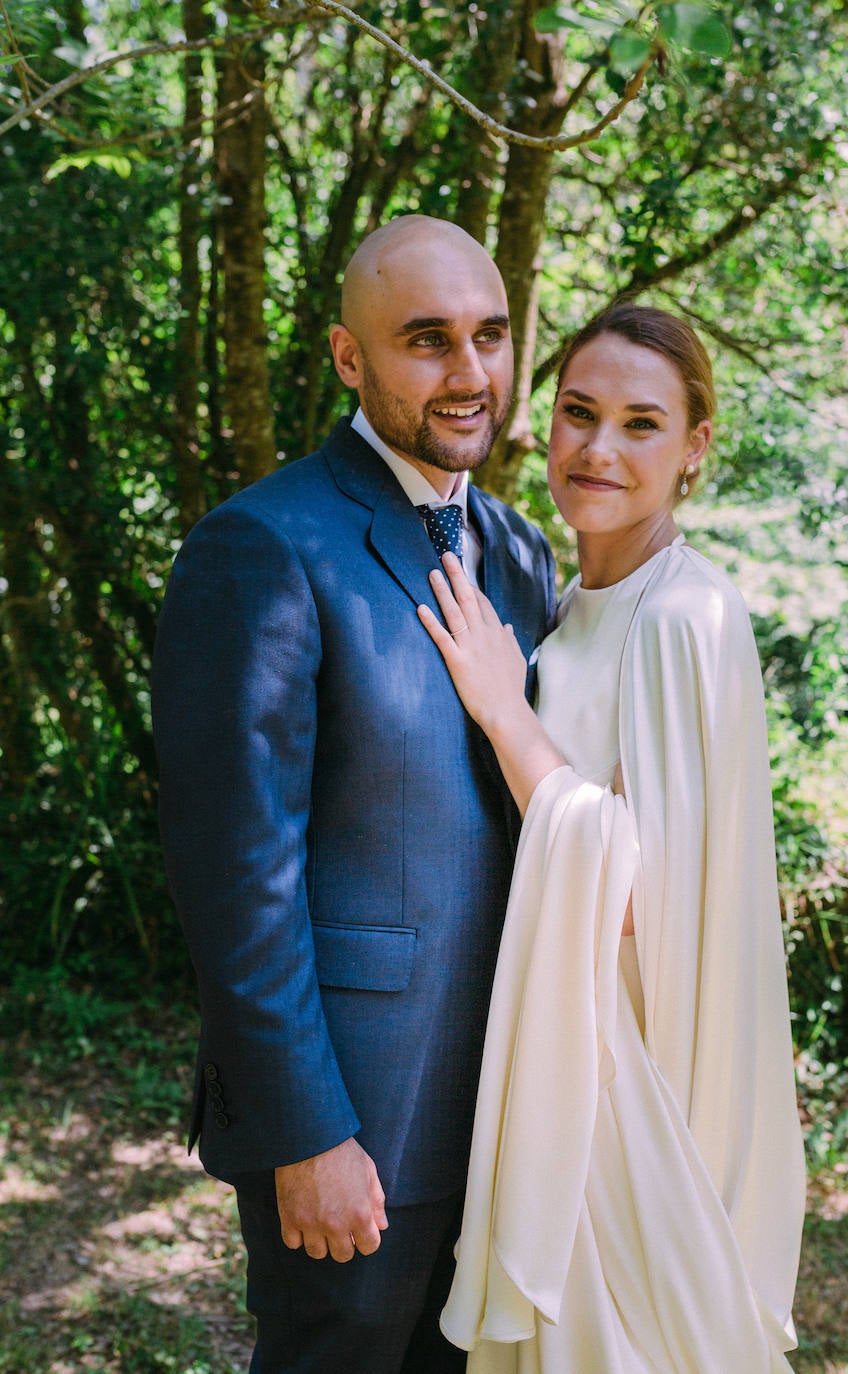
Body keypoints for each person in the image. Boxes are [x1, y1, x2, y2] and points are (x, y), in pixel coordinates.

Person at [150, 215, 556, 1373]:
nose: (470, 373)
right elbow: (238, 874)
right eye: (427, 341)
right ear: (347, 358)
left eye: (488, 336)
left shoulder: (521, 553)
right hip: (359, 1116)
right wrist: (306, 1132)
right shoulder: (261, 548)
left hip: (514, 1112)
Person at [418, 303, 807, 1372]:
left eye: (641, 423)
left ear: (694, 449)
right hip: (564, 1052)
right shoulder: (571, 601)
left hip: (625, 1086)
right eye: (578, 413)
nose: (596, 448)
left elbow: (643, 893)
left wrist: (507, 714)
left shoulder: (688, 618)